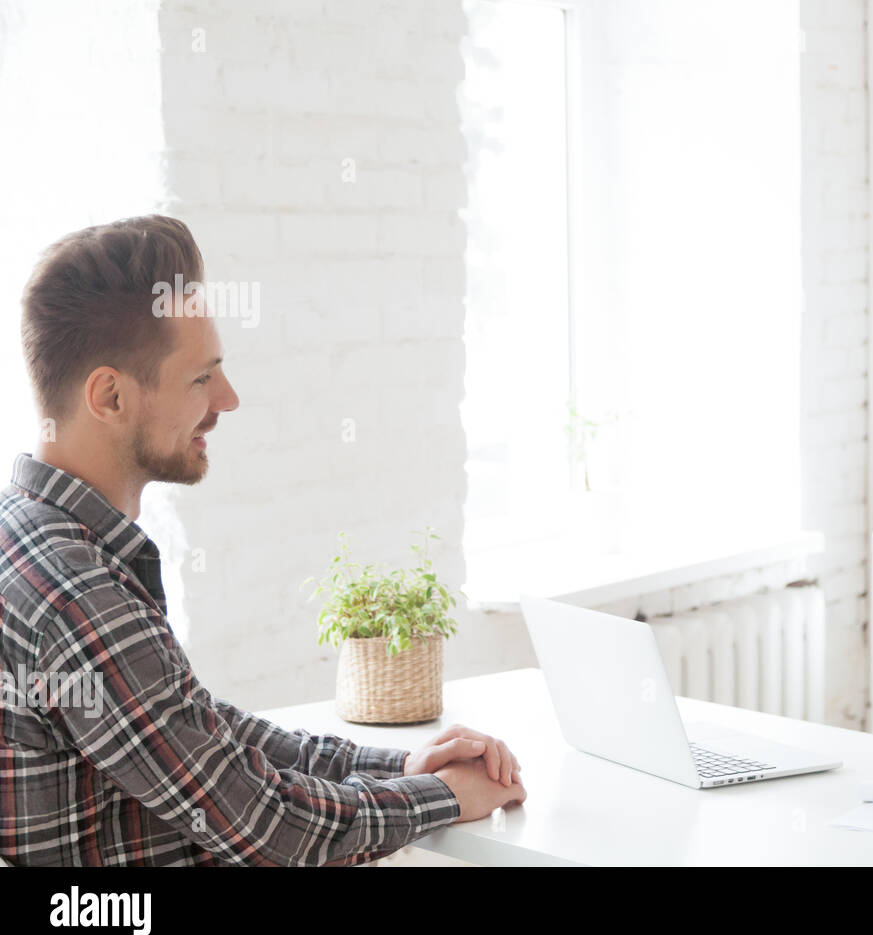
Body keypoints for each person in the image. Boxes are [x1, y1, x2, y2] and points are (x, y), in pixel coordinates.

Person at [0, 215, 525, 866]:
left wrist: (398, 763)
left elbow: (202, 732)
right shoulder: (75, 591)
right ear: (109, 396)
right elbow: (265, 825)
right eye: (201, 378)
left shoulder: (29, 531)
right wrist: (441, 796)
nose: (228, 399)